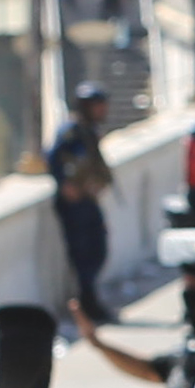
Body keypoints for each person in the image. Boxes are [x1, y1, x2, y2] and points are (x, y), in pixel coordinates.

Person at [46, 86, 121, 349]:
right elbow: (53, 158)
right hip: (74, 205)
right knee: (83, 255)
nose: (103, 111)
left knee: (97, 249)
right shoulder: (70, 131)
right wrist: (66, 185)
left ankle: (91, 302)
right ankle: (87, 305)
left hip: (88, 201)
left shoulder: (89, 132)